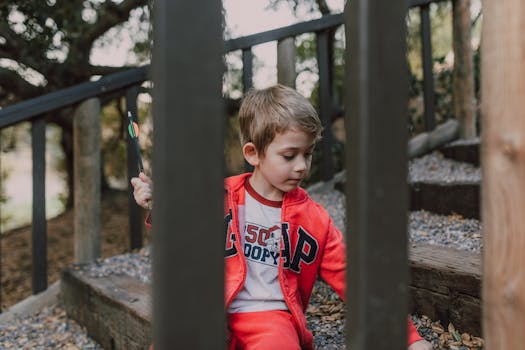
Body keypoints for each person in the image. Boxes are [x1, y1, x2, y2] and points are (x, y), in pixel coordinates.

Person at [131, 84, 432, 350]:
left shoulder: (316, 221)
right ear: (253, 153)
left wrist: (408, 337)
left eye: (308, 153)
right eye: (289, 156)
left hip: (270, 316)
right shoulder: (218, 197)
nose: (301, 166)